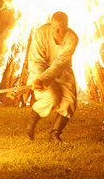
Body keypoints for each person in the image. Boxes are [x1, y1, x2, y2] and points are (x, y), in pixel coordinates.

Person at [25, 11, 79, 143]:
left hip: (62, 71)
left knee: (69, 101)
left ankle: (55, 134)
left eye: (62, 29)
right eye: (55, 28)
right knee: (52, 97)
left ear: (67, 26)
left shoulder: (72, 38)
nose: (58, 32)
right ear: (50, 25)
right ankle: (31, 122)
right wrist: (39, 78)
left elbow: (60, 63)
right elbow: (35, 60)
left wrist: (44, 78)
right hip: (39, 71)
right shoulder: (41, 33)